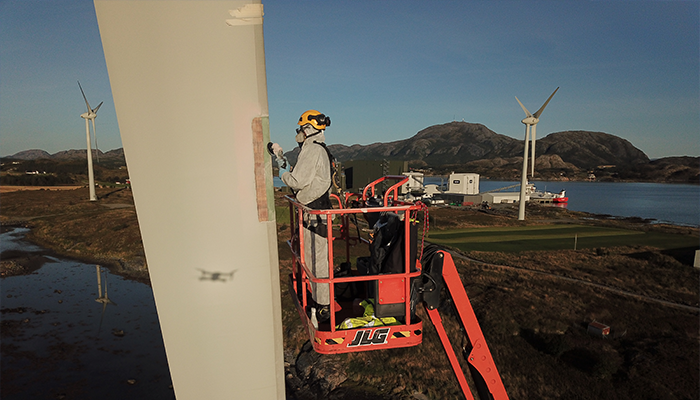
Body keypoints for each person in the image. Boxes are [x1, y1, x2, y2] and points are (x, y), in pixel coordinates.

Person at [278, 110, 333, 322]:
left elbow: (297, 182)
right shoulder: (317, 149)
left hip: (315, 213)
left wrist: (281, 171)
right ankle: (320, 303)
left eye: (300, 129)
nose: (299, 133)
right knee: (314, 259)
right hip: (315, 212)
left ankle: (323, 308)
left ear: (308, 129)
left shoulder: (312, 150)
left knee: (317, 262)